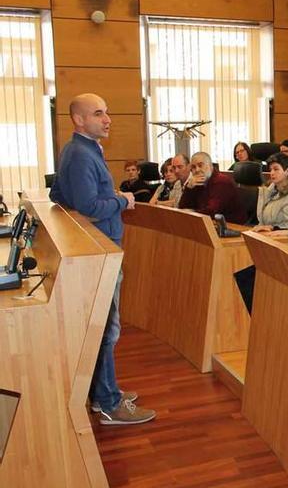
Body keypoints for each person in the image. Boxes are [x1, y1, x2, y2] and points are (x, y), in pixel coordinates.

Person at [48, 93, 156, 425]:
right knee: (107, 329)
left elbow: (58, 195)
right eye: (98, 113)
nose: (107, 118)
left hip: (101, 249)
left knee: (103, 327)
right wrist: (122, 200)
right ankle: (109, 403)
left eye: (107, 112)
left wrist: (107, 199)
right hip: (100, 253)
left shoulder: (84, 149)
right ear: (79, 120)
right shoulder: (81, 154)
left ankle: (102, 392)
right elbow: (90, 206)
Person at [179, 151, 247, 224]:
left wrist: (192, 212)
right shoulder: (197, 182)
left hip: (232, 226)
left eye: (200, 165)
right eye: (193, 167)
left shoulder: (222, 182)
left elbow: (212, 211)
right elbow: (182, 207)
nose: (197, 170)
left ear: (211, 166)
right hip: (210, 223)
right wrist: (189, 188)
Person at [251, 153, 288, 231]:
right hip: (267, 236)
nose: (272, 173)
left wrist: (272, 228)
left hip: (283, 240)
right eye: (270, 170)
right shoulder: (269, 191)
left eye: (276, 169)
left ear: (287, 171)